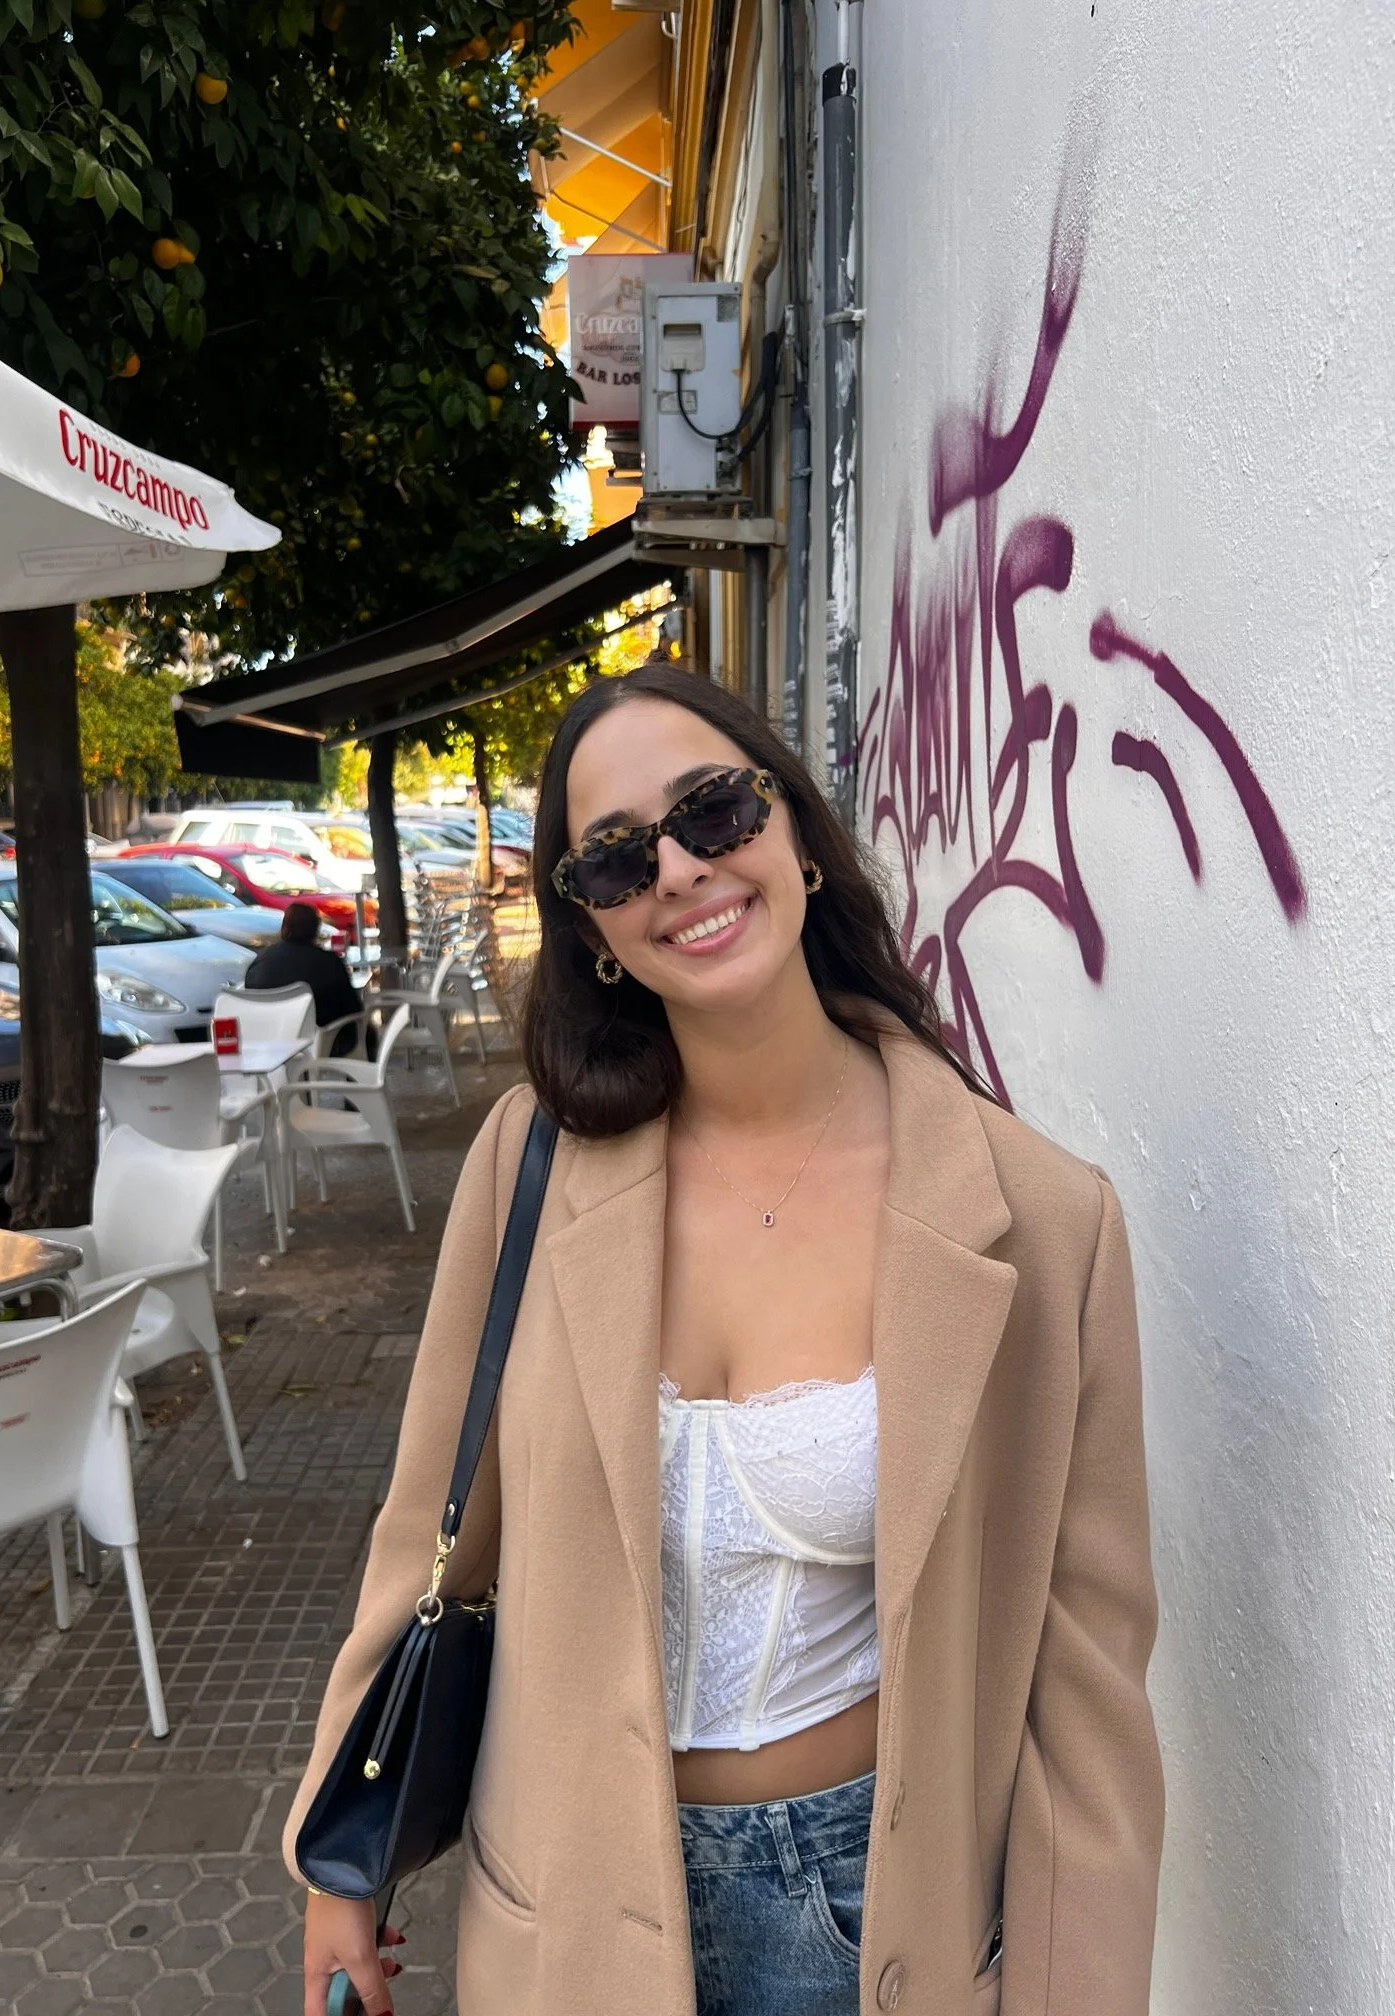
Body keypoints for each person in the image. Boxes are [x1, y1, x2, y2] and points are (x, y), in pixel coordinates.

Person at [289, 662, 1165, 2016]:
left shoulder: (1044, 1224)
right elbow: (428, 1534)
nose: (681, 869)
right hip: (566, 1904)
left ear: (797, 833)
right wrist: (339, 1858)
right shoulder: (528, 1164)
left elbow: (1085, 1694)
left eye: (714, 809)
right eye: (616, 856)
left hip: (874, 1925)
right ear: (591, 928)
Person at [244, 901, 362, 1053]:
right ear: (315, 928)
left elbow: (250, 995)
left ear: (284, 927)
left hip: (268, 1042)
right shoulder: (328, 962)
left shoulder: (262, 960)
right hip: (321, 1044)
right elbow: (353, 1008)